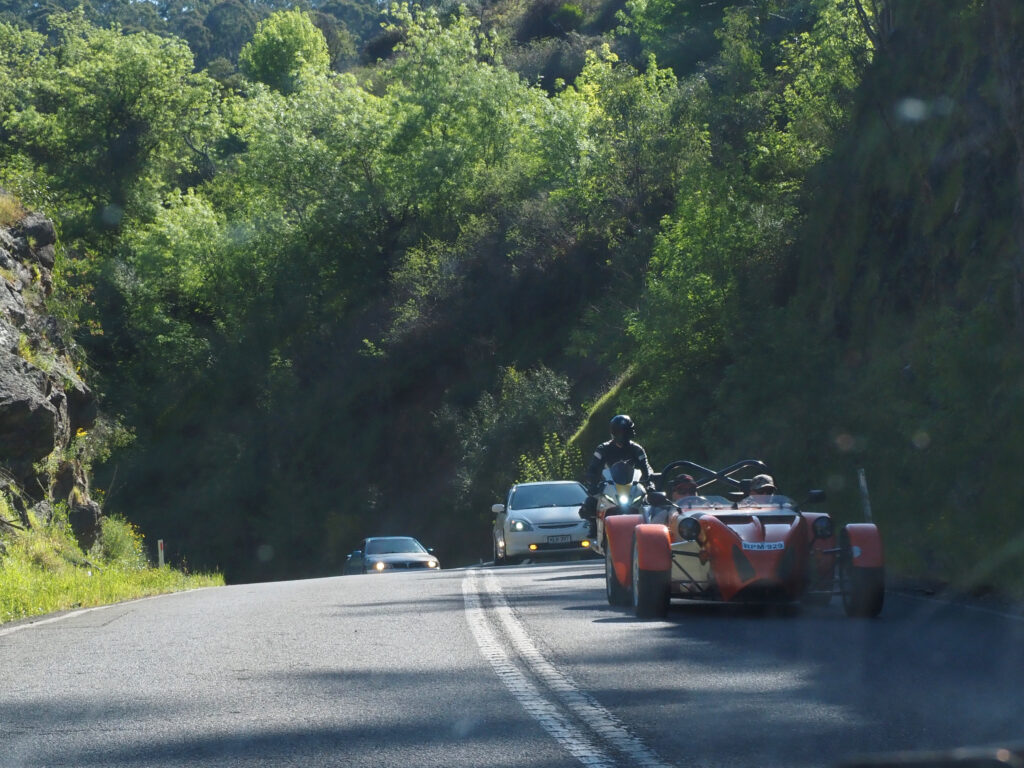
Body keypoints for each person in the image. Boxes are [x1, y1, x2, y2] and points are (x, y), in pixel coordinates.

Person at [580, 415, 653, 533]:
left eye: (626, 431)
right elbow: (593, 467)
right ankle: (594, 525)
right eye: (620, 431)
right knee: (590, 503)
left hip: (632, 487)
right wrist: (592, 482)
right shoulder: (603, 448)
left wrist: (650, 482)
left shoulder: (636, 449)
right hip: (609, 486)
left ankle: (651, 529)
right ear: (614, 432)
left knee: (652, 503)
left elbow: (646, 467)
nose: (623, 435)